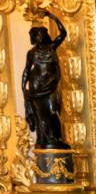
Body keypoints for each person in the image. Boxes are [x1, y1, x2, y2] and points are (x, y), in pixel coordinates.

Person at [22, 11, 68, 150]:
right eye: (37, 34)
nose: (40, 36)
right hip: (36, 85)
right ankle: (44, 139)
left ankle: (57, 138)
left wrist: (53, 16)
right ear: (34, 37)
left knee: (54, 111)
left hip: (51, 84)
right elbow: (27, 70)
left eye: (42, 33)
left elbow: (63, 33)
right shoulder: (31, 53)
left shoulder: (52, 47)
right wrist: (23, 87)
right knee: (41, 115)